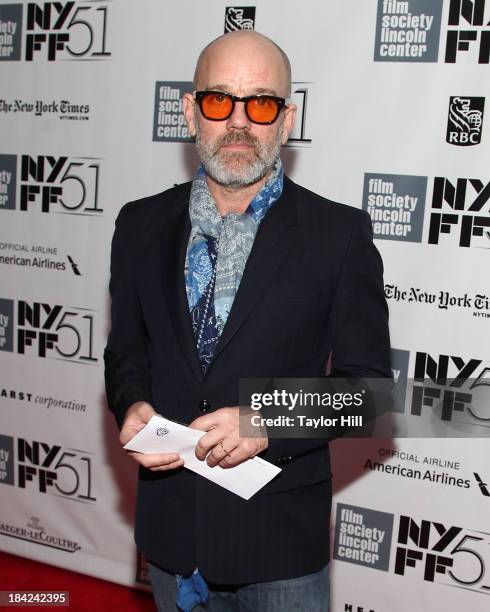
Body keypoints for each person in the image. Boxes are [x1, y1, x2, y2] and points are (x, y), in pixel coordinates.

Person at [104, 30, 391, 612]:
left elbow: (371, 392)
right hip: (170, 535)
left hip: (278, 547)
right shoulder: (138, 225)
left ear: (286, 119)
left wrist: (265, 419)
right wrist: (131, 404)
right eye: (218, 101)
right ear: (190, 111)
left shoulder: (338, 235)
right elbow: (126, 349)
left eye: (260, 103)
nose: (239, 123)